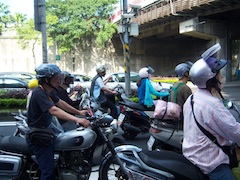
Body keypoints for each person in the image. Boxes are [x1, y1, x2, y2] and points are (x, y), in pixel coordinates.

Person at [182, 43, 240, 180]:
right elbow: (234, 131)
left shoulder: (192, 98)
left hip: (192, 155)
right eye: (219, 73)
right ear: (211, 79)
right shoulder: (212, 105)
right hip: (210, 163)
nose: (222, 76)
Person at [26, 63, 91, 180]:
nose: (58, 80)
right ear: (46, 79)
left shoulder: (48, 92)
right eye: (55, 77)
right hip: (39, 137)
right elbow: (54, 110)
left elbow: (60, 103)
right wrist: (78, 120)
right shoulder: (39, 93)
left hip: (47, 133)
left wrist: (79, 112)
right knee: (48, 171)